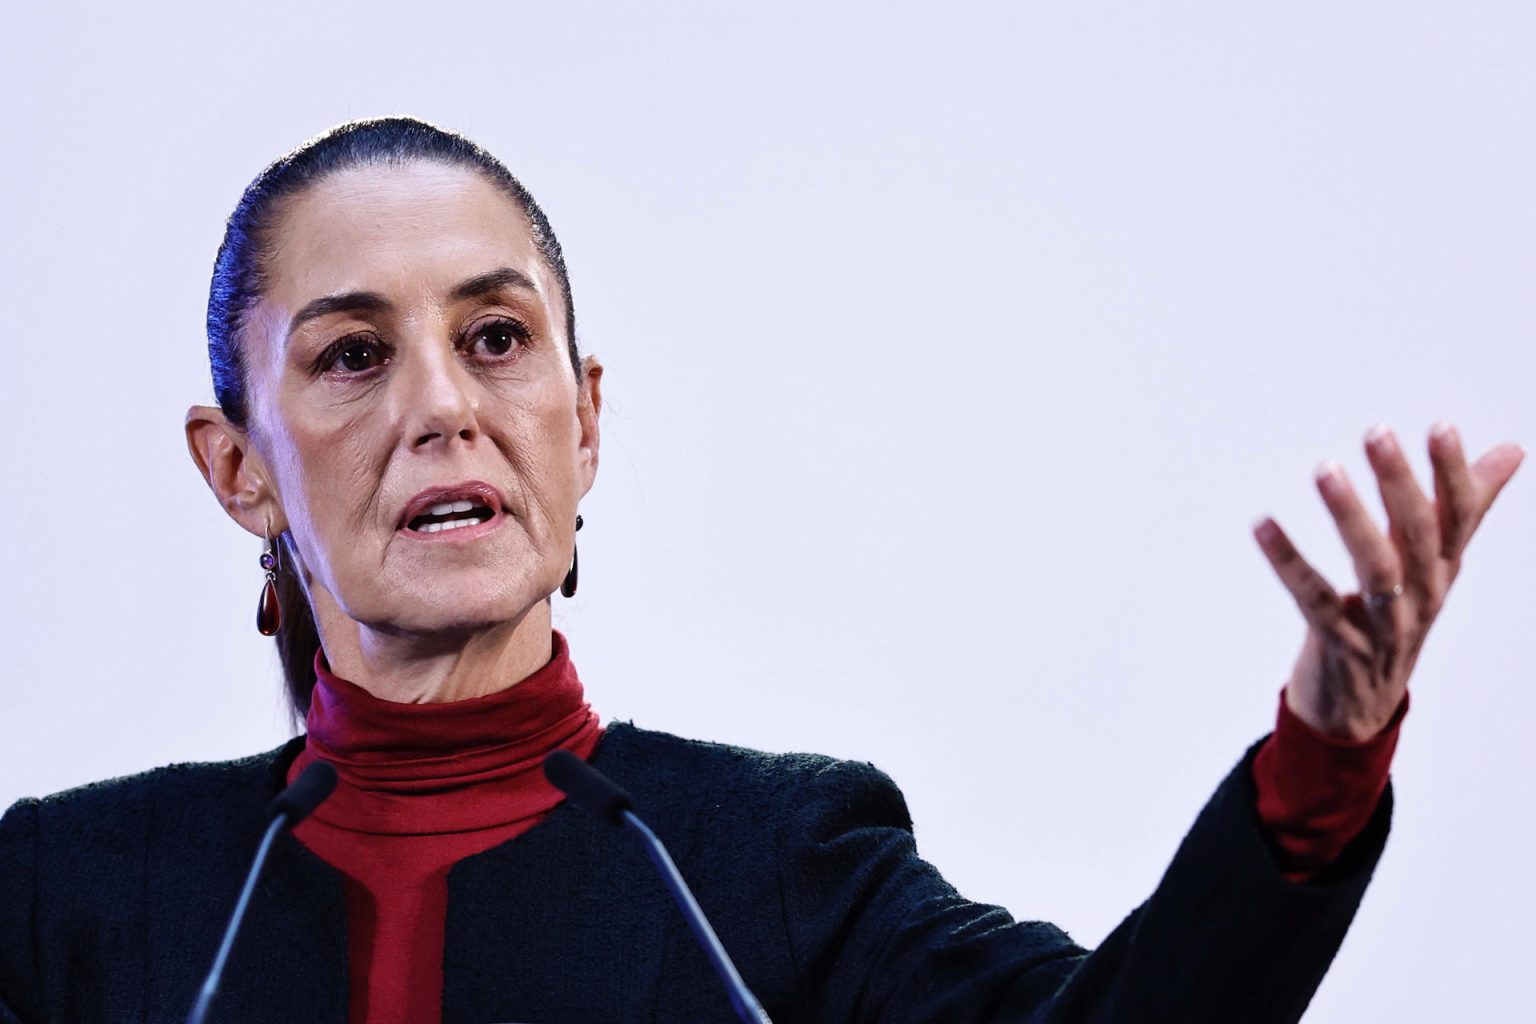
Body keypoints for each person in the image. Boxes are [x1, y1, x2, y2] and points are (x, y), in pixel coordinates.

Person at [0, 117, 1523, 1024]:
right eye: (351, 354)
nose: (441, 407)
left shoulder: (776, 862)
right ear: (239, 466)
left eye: (496, 337)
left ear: (583, 420)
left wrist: (1321, 761)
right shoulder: (68, 895)